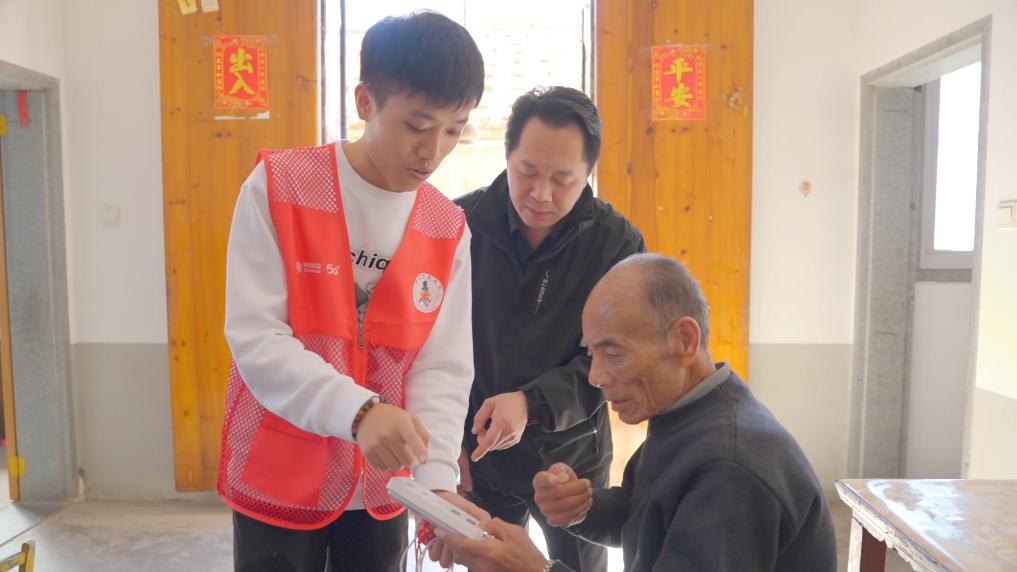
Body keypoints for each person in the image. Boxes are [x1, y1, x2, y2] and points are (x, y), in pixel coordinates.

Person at [217, 11, 487, 571]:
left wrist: (436, 482)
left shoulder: (446, 227)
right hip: (280, 473)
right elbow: (258, 339)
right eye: (418, 125)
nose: (433, 150)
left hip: (384, 487)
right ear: (365, 102)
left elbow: (441, 368)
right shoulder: (281, 187)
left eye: (454, 130)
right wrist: (360, 412)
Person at [435, 254, 838, 571]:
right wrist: (585, 508)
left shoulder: (728, 466)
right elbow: (644, 515)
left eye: (612, 352)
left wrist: (536, 569)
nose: (596, 376)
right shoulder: (690, 414)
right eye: (592, 354)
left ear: (684, 340)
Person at [450, 86, 645, 572]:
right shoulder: (458, 225)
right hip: (477, 455)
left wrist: (531, 402)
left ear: (588, 172)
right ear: (507, 156)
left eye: (562, 179)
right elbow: (429, 346)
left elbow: (617, 359)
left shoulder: (616, 244)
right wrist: (443, 441)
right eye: (527, 172)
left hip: (571, 463)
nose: (541, 193)